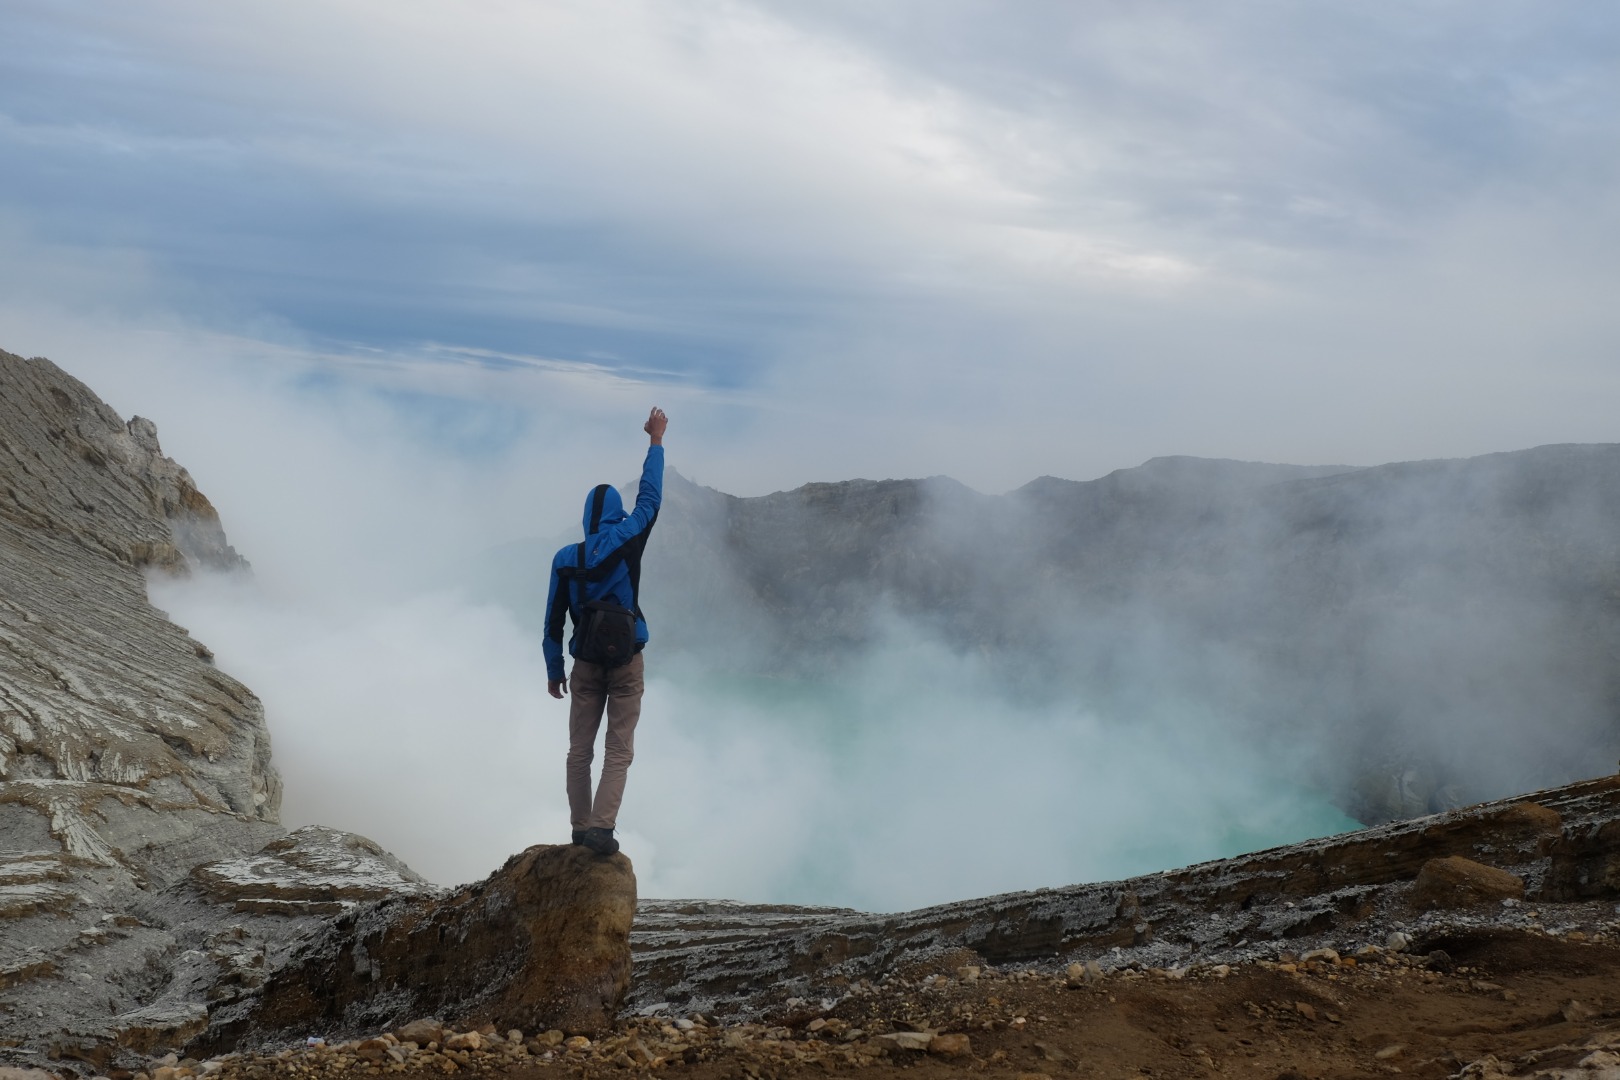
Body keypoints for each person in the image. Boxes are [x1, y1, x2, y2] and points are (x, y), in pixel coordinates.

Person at [543, 406, 667, 856]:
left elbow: (553, 620)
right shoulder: (629, 536)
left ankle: (579, 830)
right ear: (615, 513)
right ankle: (601, 829)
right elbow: (651, 499)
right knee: (619, 749)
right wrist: (655, 442)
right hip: (627, 657)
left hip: (586, 664)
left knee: (580, 750)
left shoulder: (565, 558)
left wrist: (555, 668)